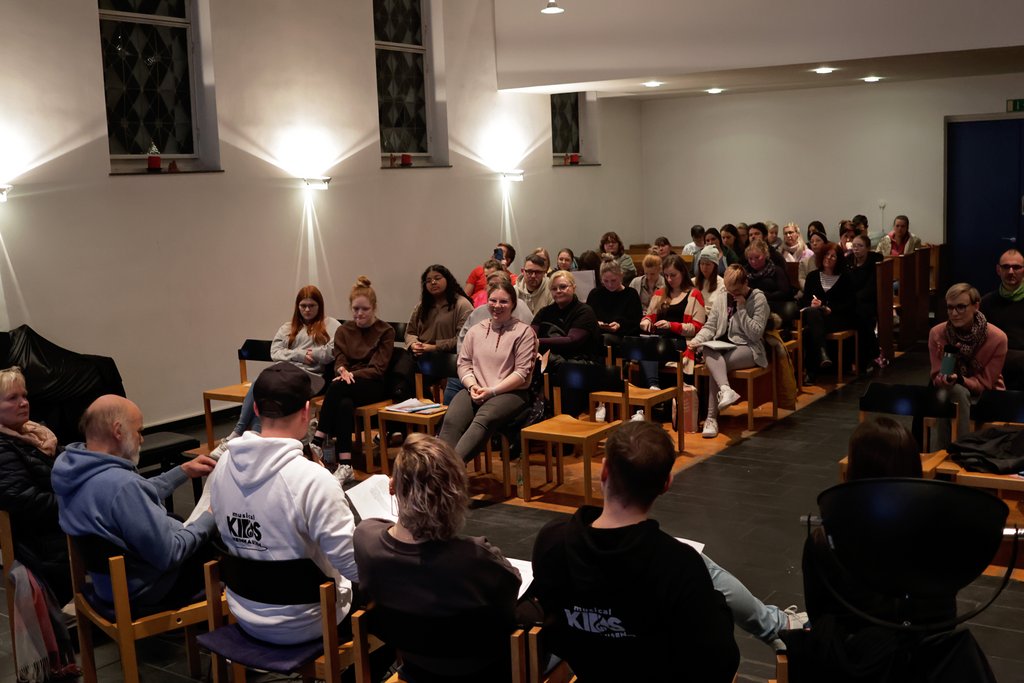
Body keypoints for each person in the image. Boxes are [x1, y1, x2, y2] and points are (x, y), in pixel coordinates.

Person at [530, 421, 740, 682]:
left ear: (604, 471)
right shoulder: (678, 564)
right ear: (666, 484)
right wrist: (717, 604)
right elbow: (720, 661)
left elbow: (555, 629)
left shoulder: (552, 543)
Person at [793, 418, 994, 683]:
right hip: (927, 665)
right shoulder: (938, 537)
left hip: (851, 666)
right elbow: (946, 615)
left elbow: (818, 612)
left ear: (855, 471)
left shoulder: (824, 541)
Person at [209, 362, 359, 644]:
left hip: (245, 611)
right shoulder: (313, 479)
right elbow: (354, 566)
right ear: (306, 411)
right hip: (310, 619)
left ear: (255, 409)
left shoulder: (223, 465)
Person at [354, 434, 521, 681]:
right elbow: (511, 589)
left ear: (392, 487)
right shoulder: (475, 558)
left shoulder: (365, 539)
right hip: (480, 671)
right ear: (457, 493)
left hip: (415, 662)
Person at [52, 395, 216, 610]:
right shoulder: (122, 485)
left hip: (108, 585)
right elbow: (170, 554)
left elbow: (130, 498)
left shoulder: (73, 469)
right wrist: (210, 516)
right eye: (139, 431)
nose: (142, 439)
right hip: (145, 591)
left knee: (178, 521)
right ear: (118, 431)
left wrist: (183, 471)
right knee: (218, 544)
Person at [212, 285, 340, 457]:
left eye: (311, 306)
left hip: (312, 377)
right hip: (286, 372)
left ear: (320, 306)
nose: (307, 310)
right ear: (297, 306)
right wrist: (300, 355)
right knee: (262, 384)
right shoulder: (288, 327)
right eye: (303, 306)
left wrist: (313, 354)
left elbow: (331, 352)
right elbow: (275, 352)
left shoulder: (331, 325)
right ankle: (247, 436)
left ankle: (241, 435)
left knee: (269, 388)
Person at [438, 281, 538, 462]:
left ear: (513, 304)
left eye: (503, 301)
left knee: (484, 419)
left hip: (511, 392)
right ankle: (439, 468)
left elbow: (521, 373)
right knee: (451, 420)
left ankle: (451, 469)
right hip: (476, 389)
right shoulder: (475, 330)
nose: (497, 306)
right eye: (493, 300)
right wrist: (472, 386)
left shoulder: (524, 332)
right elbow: (464, 363)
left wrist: (492, 391)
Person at [311, 277, 395, 482]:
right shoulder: (344, 330)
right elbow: (340, 358)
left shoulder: (385, 331)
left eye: (364, 309)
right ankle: (346, 464)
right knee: (344, 404)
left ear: (374, 308)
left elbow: (378, 368)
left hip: (373, 384)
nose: (359, 314)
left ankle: (317, 441)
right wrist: (342, 370)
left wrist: (351, 375)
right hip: (347, 383)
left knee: (337, 387)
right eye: (355, 309)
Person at [0, 367, 72, 604]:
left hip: (59, 524)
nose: (23, 403)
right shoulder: (3, 447)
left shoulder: (36, 433)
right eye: (13, 398)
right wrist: (75, 502)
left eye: (24, 395)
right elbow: (23, 498)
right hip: (43, 541)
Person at [688, 265, 769, 438]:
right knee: (707, 348)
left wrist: (742, 309)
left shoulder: (758, 298)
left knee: (716, 367)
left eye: (736, 291)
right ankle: (725, 390)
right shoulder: (723, 295)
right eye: (728, 290)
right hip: (723, 345)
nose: (732, 294)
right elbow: (711, 326)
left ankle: (711, 418)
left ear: (745, 283)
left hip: (749, 347)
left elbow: (755, 334)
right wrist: (697, 340)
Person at [927, 283, 1007, 447]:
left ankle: (945, 452)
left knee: (954, 392)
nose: (954, 313)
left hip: (987, 394)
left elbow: (985, 384)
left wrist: (961, 379)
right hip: (951, 391)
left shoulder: (998, 338)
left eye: (961, 307)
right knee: (953, 391)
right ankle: (960, 450)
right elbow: (937, 376)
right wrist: (947, 372)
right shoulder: (937, 334)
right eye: (950, 308)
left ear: (976, 306)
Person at [639, 254, 706, 388]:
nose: (669, 279)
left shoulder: (694, 294)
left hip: (682, 342)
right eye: (666, 275)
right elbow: (650, 316)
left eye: (673, 275)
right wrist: (646, 321)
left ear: (682, 273)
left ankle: (653, 386)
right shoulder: (660, 293)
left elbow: (697, 328)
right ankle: (653, 387)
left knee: (651, 348)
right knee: (643, 347)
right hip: (660, 340)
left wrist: (671, 326)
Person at [801, 242, 856, 384]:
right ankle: (822, 354)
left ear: (838, 260)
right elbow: (805, 300)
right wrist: (812, 304)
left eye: (833, 256)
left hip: (838, 317)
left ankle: (812, 371)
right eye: (826, 254)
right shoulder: (812, 276)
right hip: (817, 317)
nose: (829, 258)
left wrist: (830, 308)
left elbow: (850, 303)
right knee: (813, 314)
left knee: (809, 331)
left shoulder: (846, 277)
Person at [533, 271, 604, 367]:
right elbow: (530, 335)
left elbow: (572, 341)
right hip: (550, 361)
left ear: (574, 288)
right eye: (554, 289)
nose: (558, 291)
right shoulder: (544, 312)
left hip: (580, 364)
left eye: (563, 287)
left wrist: (537, 342)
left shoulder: (585, 311)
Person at [406, 264, 474, 357]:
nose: (433, 282)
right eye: (428, 281)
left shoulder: (462, 305)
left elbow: (463, 339)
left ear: (447, 280)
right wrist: (413, 344)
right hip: (420, 355)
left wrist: (434, 347)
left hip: (449, 357)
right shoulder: (421, 306)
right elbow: (410, 332)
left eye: (437, 278)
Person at [980, 248, 1024, 390]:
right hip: (995, 368)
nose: (1011, 271)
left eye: (1016, 267)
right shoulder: (986, 302)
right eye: (1006, 267)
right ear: (998, 270)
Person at [587, 254, 642, 350]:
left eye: (613, 280)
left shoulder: (631, 294)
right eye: (606, 281)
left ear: (621, 276)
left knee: (604, 339)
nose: (610, 284)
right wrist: (597, 323)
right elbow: (588, 317)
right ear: (601, 279)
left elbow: (635, 322)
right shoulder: (595, 294)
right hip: (599, 334)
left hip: (623, 337)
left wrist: (619, 325)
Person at [846, 234, 884, 370]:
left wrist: (855, 298)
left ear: (867, 248)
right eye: (854, 246)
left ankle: (866, 358)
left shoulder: (874, 261)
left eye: (860, 246)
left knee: (862, 315)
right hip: (851, 300)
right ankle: (871, 353)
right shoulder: (848, 261)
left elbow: (872, 286)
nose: (856, 249)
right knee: (853, 314)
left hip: (868, 300)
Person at [695, 244, 723, 313]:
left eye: (708, 264)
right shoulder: (693, 282)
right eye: (702, 264)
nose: (704, 267)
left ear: (715, 266)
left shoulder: (722, 284)